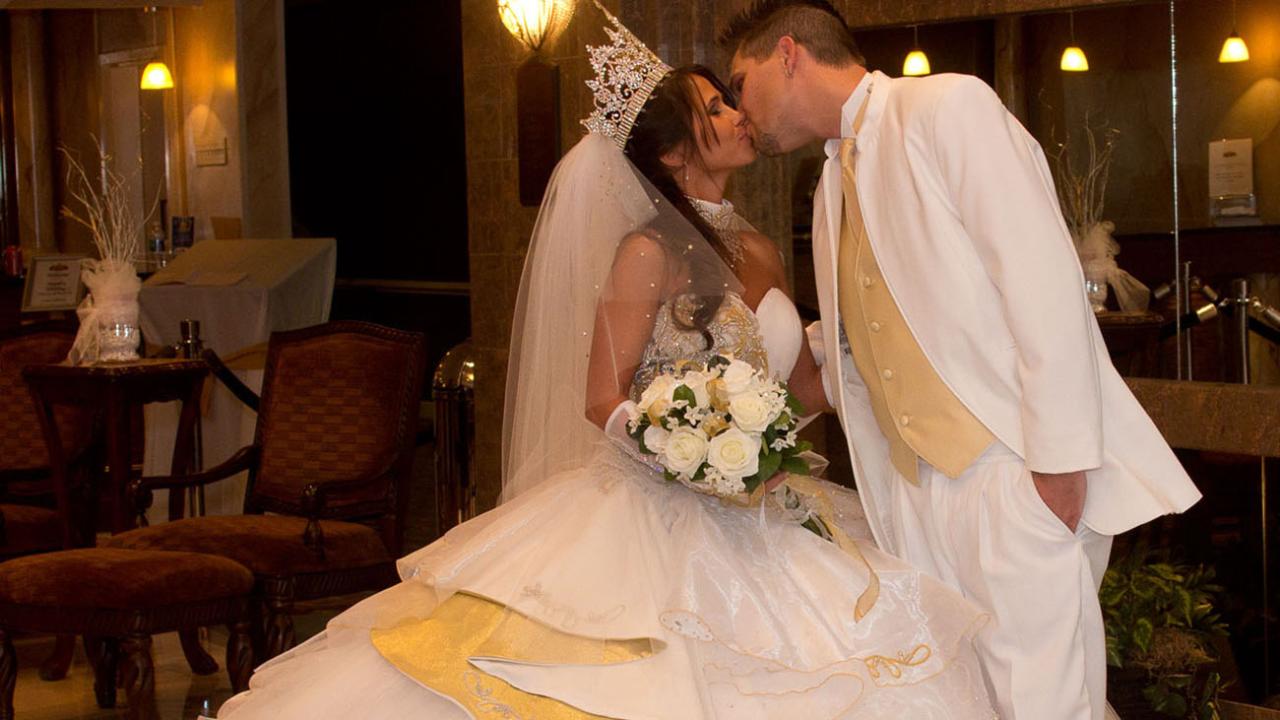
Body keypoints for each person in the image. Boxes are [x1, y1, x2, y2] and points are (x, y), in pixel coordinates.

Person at [212, 5, 997, 718]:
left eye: (730, 100)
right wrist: (688, 453)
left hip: (763, 505)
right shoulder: (648, 253)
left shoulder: (761, 247)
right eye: (715, 108)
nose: (737, 114)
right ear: (672, 152)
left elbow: (798, 393)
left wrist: (871, 362)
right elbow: (603, 397)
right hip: (657, 509)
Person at [720, 2, 1203, 718]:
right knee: (963, 701)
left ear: (787, 54)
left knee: (1045, 706)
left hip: (1006, 470)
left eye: (740, 83)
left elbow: (1042, 283)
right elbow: (873, 328)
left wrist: (1056, 470)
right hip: (910, 492)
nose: (740, 110)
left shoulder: (945, 108)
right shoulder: (828, 188)